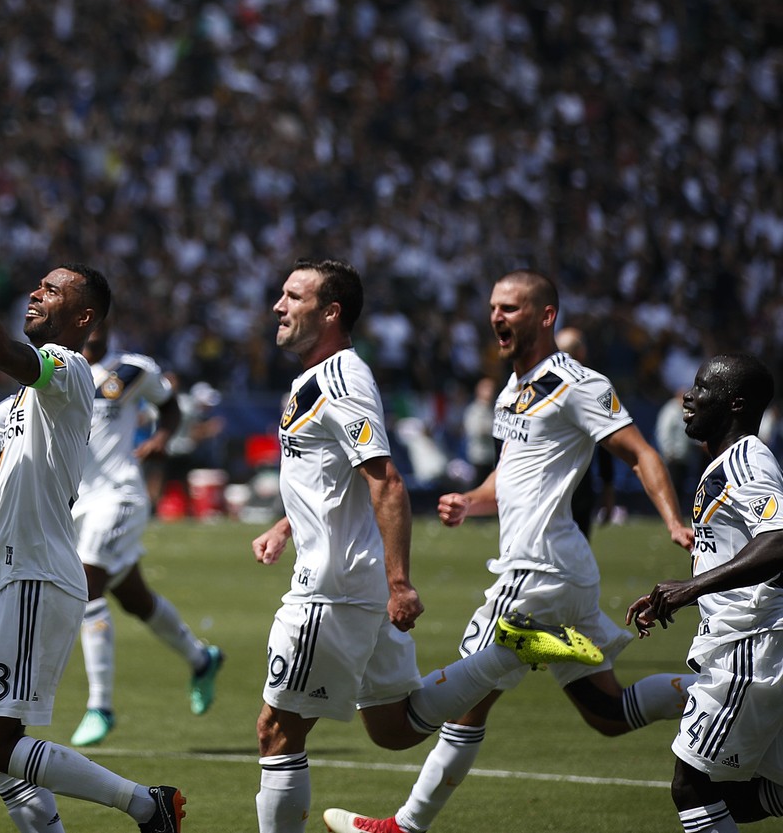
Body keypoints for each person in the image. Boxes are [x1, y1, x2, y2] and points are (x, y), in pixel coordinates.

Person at [325, 270, 699, 833]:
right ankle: (722, 689)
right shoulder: (512, 390)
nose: (497, 317)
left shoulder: (575, 384)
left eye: (511, 309)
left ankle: (405, 826)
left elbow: (642, 453)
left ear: (545, 316)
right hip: (562, 575)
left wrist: (675, 521)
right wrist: (470, 502)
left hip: (536, 570)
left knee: (465, 702)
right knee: (608, 714)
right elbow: (510, 475)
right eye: (494, 308)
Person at [253, 260, 604, 833]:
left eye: (293, 295)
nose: (278, 305)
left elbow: (385, 480)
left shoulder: (341, 379)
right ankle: (512, 651)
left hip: (333, 588)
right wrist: (284, 525)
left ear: (332, 312)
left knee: (277, 730)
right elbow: (327, 478)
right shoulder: (311, 380)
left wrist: (400, 583)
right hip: (350, 581)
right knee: (396, 727)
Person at [0, 207, 183, 833]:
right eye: (37, 285)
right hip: (18, 576)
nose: (36, 294)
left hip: (39, 575)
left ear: (83, 316)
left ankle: (149, 806)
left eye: (52, 289)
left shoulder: (67, 370)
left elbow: (1, 348)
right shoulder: (29, 392)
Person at [627, 353, 783, 833]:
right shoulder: (725, 462)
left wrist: (688, 589)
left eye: (701, 388)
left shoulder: (745, 460)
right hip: (754, 642)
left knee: (692, 786)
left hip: (750, 646)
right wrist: (680, 595)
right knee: (746, 794)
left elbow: (778, 540)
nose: (687, 396)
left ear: (734, 403)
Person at [67, 319, 224, 748]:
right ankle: (201, 659)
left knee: (86, 586)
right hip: (79, 503)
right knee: (135, 598)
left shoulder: (132, 370)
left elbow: (169, 407)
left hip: (120, 496)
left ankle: (100, 706)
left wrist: (162, 438)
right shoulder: (59, 368)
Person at [556, 327, 617, 535]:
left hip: (546, 485)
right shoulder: (593, 386)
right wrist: (608, 490)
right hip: (580, 484)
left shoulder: (539, 386)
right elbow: (608, 443)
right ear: (582, 352)